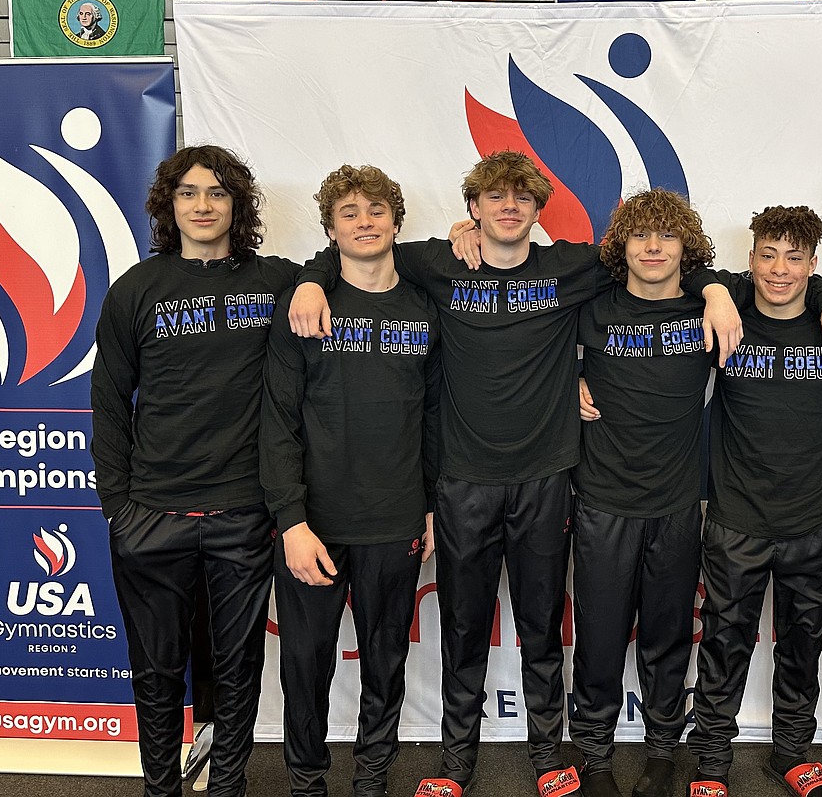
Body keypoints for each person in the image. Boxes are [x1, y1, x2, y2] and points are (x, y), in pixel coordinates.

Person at [288, 151, 753, 797]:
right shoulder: (436, 262)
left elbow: (665, 259)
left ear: (538, 211)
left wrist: (719, 290)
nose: (509, 206)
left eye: (522, 198)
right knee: (463, 627)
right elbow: (357, 251)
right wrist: (311, 280)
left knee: (541, 627)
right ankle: (456, 763)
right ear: (472, 208)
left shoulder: (573, 266)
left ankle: (545, 754)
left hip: (546, 478)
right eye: (494, 197)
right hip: (462, 481)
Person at [91, 145, 298, 797]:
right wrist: (118, 508)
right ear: (168, 205)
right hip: (152, 516)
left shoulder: (276, 282)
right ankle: (161, 788)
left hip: (242, 514)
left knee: (238, 667)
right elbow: (107, 402)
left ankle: (227, 785)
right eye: (188, 193)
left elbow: (358, 270)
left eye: (216, 192)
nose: (202, 205)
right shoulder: (136, 289)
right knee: (155, 671)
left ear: (237, 205)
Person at [260, 164, 441, 797]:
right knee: (304, 665)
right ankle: (307, 781)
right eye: (349, 213)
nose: (364, 222)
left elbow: (437, 415)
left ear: (396, 219)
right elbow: (276, 422)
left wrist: (430, 506)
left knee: (386, 660)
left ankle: (371, 777)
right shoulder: (306, 308)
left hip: (395, 518)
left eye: (375, 211)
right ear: (330, 228)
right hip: (314, 524)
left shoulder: (425, 308)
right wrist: (290, 520)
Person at [686, 206, 822, 797]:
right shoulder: (723, 320)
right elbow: (661, 278)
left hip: (814, 520)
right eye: (767, 255)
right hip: (737, 520)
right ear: (749, 258)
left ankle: (792, 751)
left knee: (803, 644)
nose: (779, 270)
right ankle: (710, 763)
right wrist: (716, 289)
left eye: (794, 257)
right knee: (724, 644)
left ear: (812, 265)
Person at [569, 189, 717, 797]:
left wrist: (716, 290)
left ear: (688, 249)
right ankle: (594, 753)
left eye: (667, 236)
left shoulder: (708, 310)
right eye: (640, 236)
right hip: (603, 500)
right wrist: (569, 381)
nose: (653, 247)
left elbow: (788, 281)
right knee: (600, 636)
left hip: (678, 502)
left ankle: (662, 753)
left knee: (667, 636)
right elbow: (525, 348)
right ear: (620, 247)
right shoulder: (590, 308)